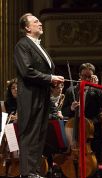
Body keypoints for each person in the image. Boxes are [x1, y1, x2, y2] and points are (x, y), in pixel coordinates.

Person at [14, 13, 64, 178]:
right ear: (27, 27)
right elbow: (26, 71)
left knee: (39, 134)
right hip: (30, 97)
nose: (40, 23)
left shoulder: (39, 46)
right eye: (36, 22)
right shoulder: (22, 44)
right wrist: (50, 78)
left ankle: (34, 172)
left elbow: (41, 70)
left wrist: (52, 82)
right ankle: (27, 173)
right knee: (30, 134)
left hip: (42, 96)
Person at [61, 62, 102, 177]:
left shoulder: (97, 91)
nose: (86, 79)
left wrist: (88, 123)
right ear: (79, 75)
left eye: (89, 76)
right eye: (84, 76)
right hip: (74, 134)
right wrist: (71, 108)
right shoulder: (70, 91)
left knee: (93, 169)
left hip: (91, 134)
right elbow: (64, 111)